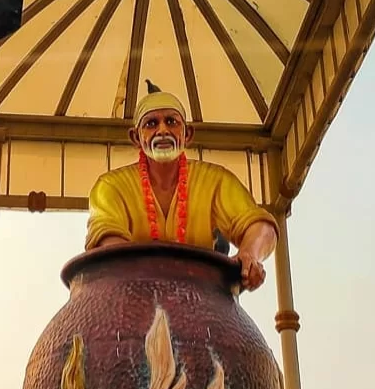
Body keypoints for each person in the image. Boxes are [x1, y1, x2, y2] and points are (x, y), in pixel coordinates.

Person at [85, 81, 277, 291]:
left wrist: (250, 254)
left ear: (187, 134)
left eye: (171, 122)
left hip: (201, 296)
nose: (162, 131)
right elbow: (107, 239)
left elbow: (261, 226)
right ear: (136, 137)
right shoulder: (110, 186)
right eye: (151, 124)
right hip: (133, 297)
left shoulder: (215, 180)